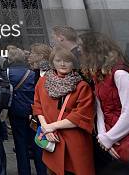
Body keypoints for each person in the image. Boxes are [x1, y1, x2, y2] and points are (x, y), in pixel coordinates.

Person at [81, 32, 129, 159]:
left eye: (82, 50)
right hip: (115, 139)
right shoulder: (99, 75)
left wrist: (109, 138)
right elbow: (100, 109)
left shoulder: (120, 74)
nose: (80, 54)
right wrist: (103, 136)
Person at [33, 46, 95, 175]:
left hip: (74, 141)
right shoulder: (43, 81)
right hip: (52, 138)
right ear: (52, 62)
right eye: (58, 60)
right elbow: (37, 105)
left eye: (67, 60)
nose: (62, 64)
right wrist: (45, 127)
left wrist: (51, 127)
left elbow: (81, 115)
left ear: (73, 63)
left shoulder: (82, 86)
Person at [7, 47, 47, 175]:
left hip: (16, 112)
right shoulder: (31, 73)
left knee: (20, 145)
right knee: (38, 144)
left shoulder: (7, 72)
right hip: (34, 113)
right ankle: (42, 171)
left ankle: (24, 171)